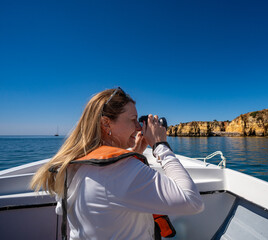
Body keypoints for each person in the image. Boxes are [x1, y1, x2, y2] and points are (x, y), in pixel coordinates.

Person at [31, 87, 204, 240]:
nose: (138, 127)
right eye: (133, 119)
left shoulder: (71, 164)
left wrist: (135, 153)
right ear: (106, 123)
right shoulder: (122, 170)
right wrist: (161, 145)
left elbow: (109, 192)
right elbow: (192, 202)